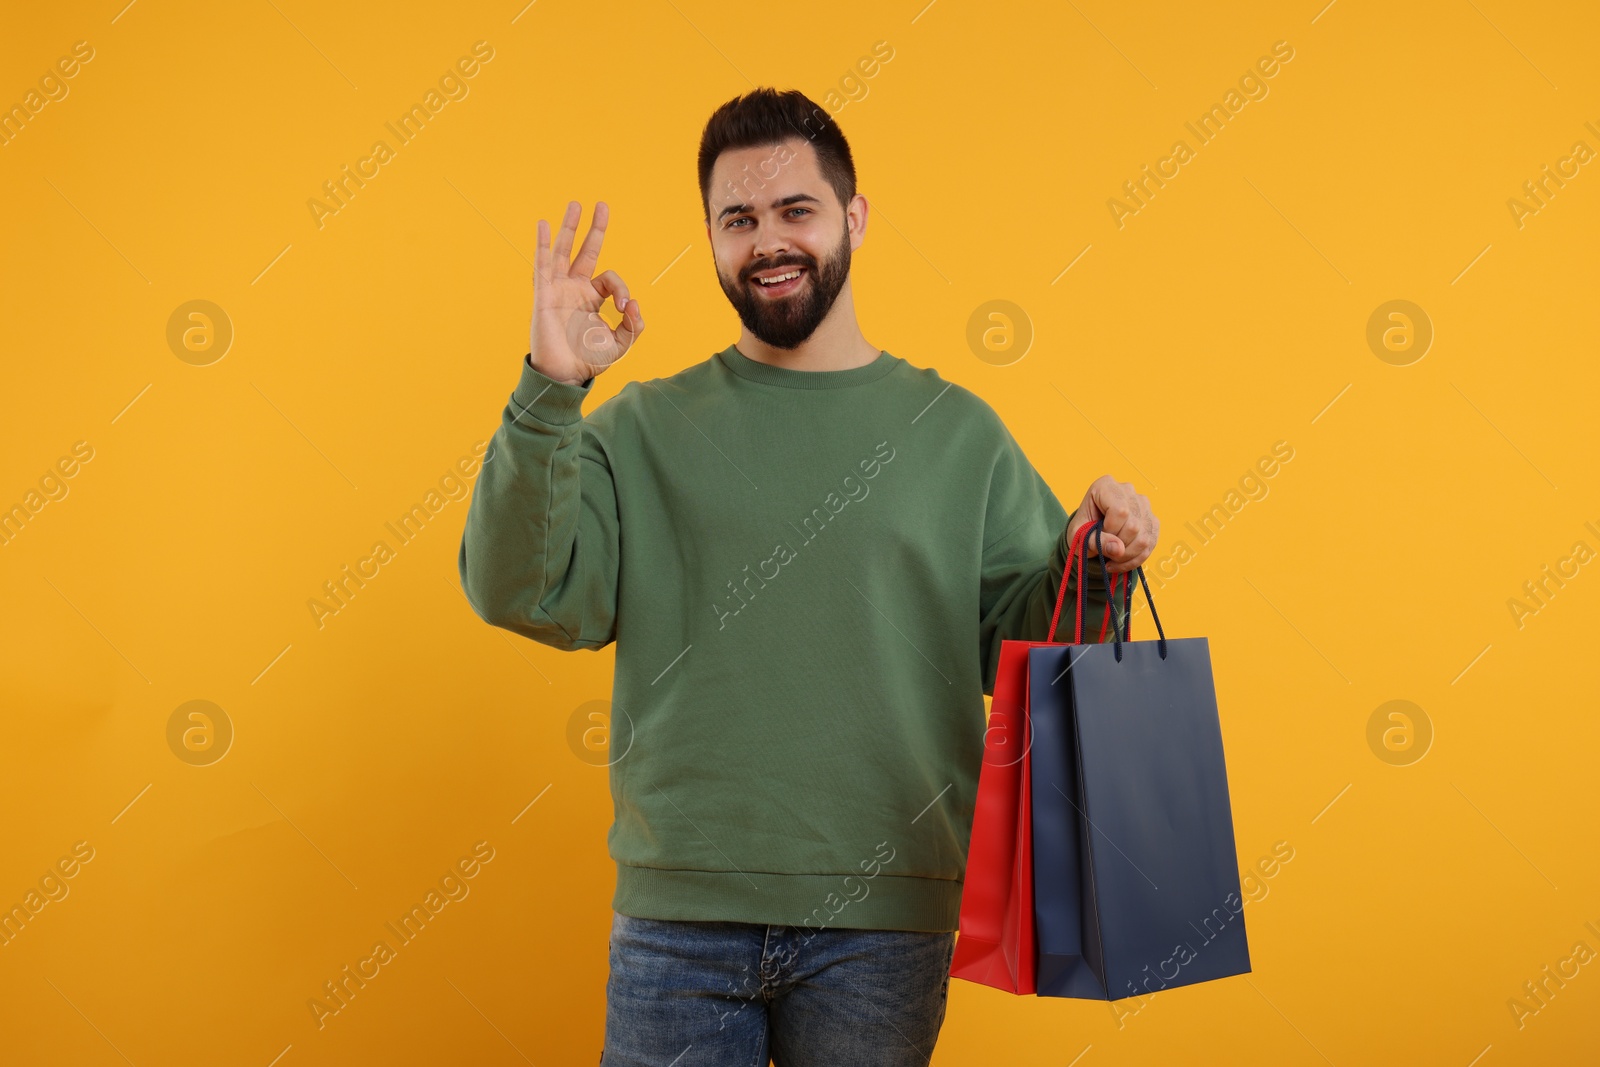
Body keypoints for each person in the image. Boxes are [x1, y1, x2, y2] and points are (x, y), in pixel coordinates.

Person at [457, 87, 1160, 1067]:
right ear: (708, 238)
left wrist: (1096, 564)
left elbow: (1032, 649)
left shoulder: (955, 433)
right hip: (677, 919)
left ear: (854, 218)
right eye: (737, 219)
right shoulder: (641, 428)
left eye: (796, 210)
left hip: (884, 922)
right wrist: (551, 385)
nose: (767, 240)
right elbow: (518, 588)